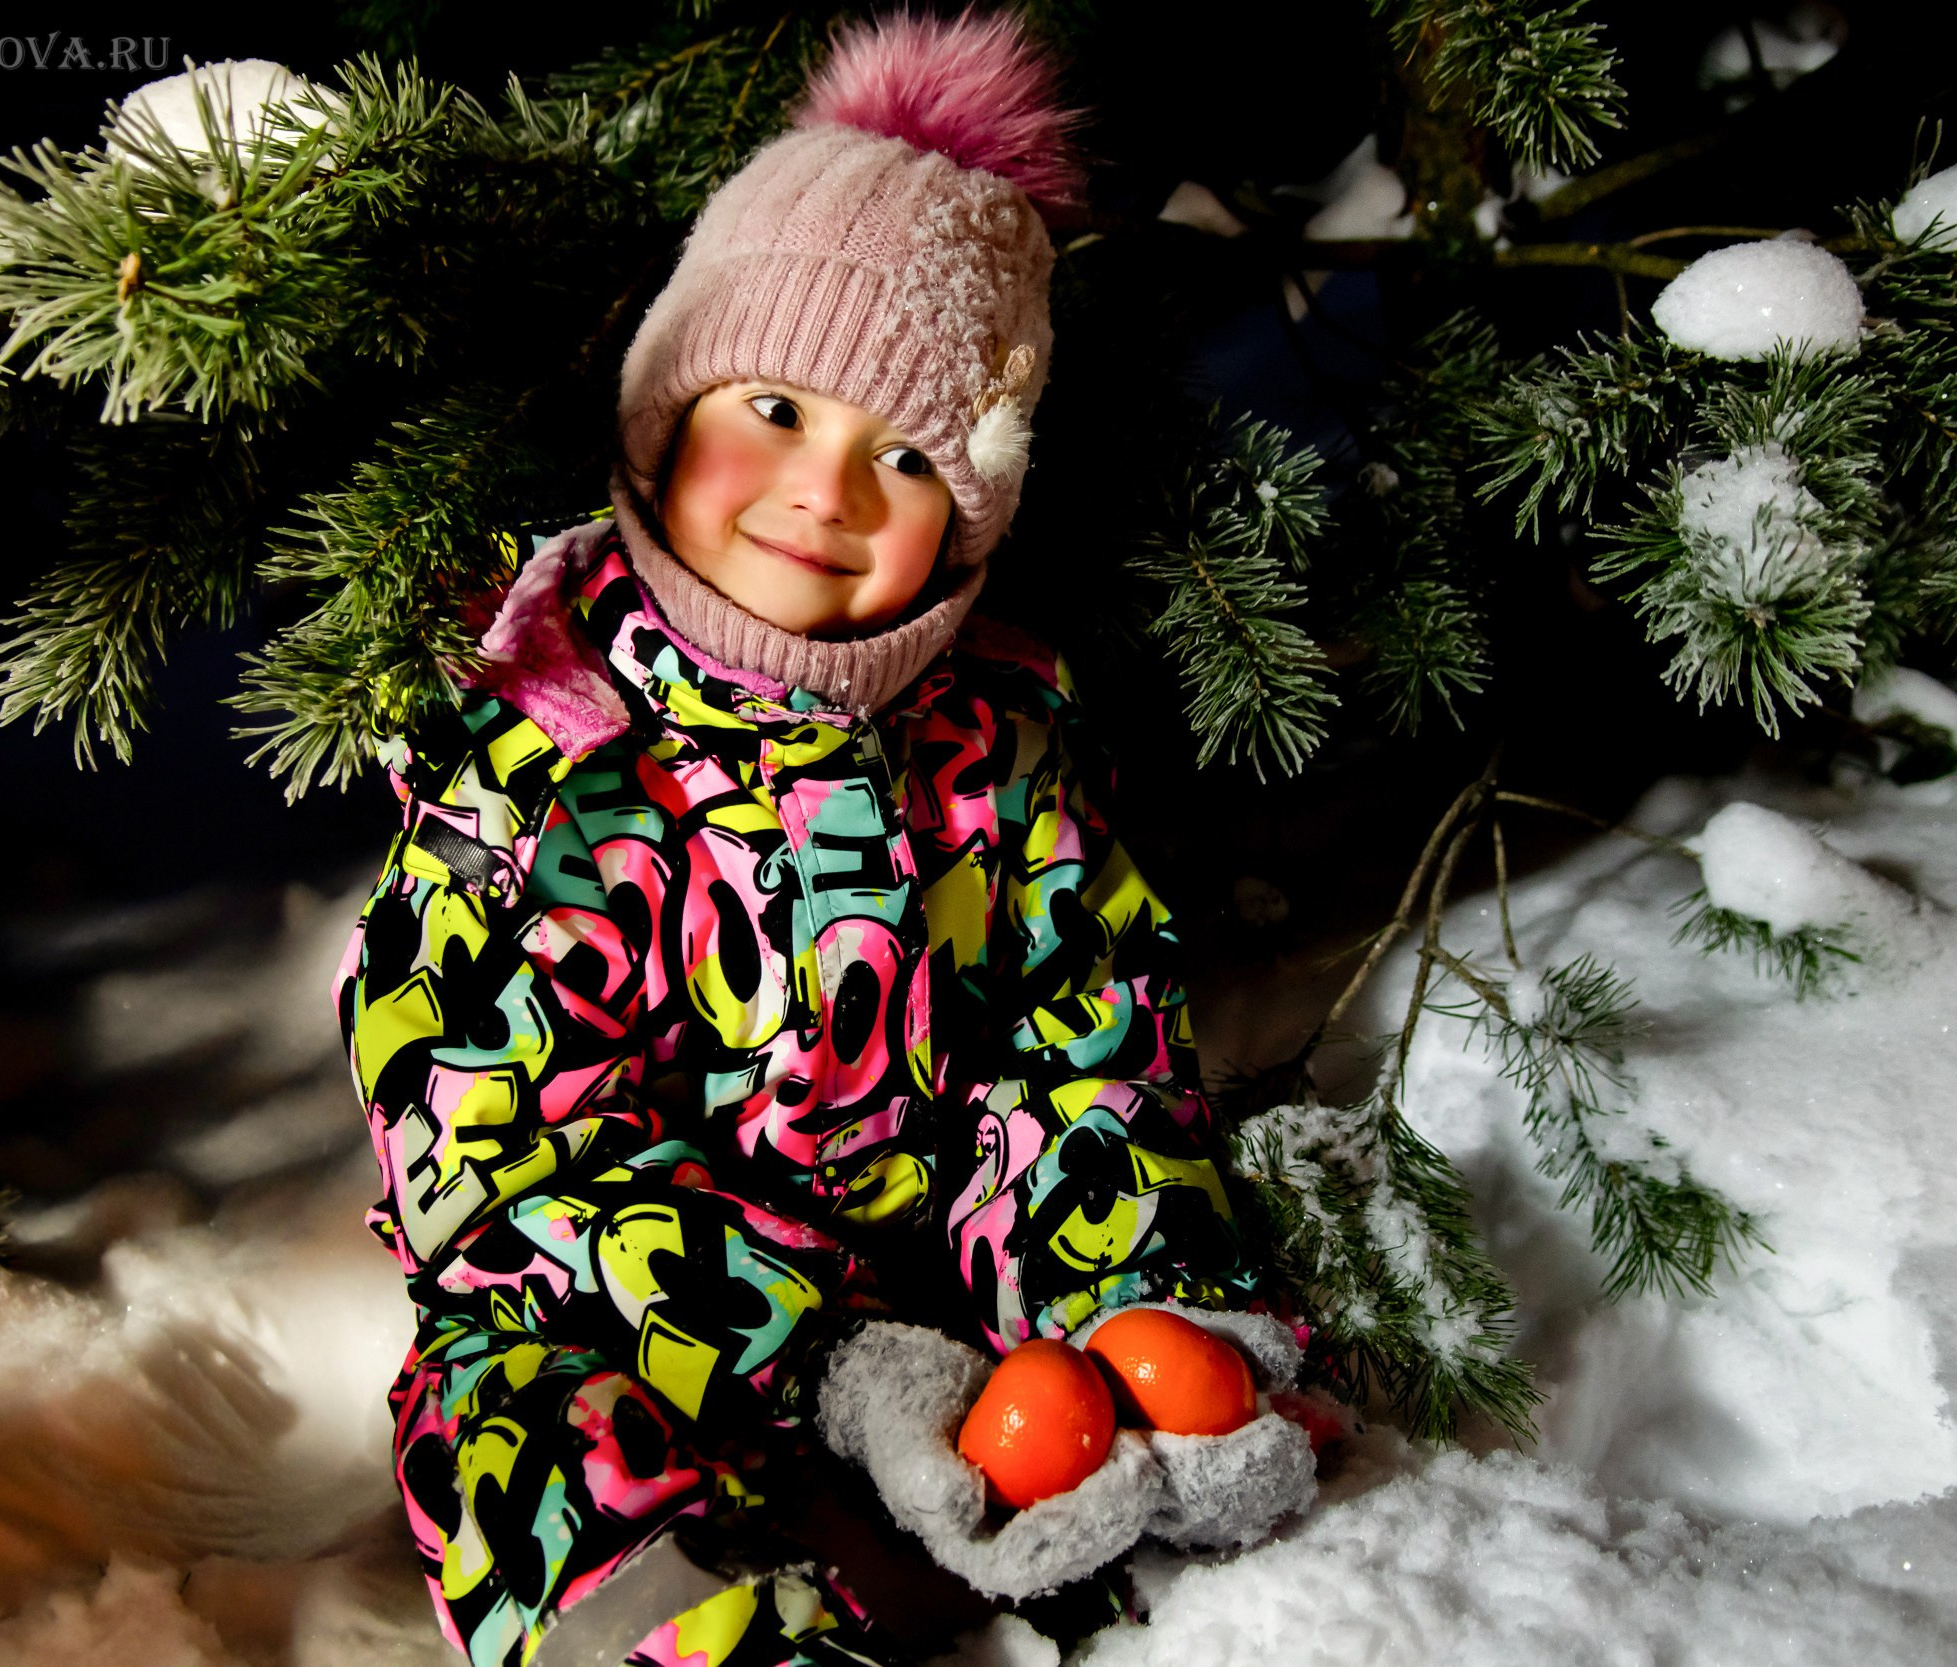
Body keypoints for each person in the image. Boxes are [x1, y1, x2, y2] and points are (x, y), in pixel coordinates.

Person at [333, 15, 1306, 1667]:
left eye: (909, 452)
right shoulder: (551, 759)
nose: (828, 490)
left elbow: (1084, 1044)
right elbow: (499, 1153)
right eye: (772, 404)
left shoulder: (997, 745)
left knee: (1158, 1340)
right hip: (638, 1303)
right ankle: (715, 1636)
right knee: (511, 1431)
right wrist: (829, 1364)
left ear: (974, 510)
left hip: (947, 1274)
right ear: (660, 408)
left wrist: (1121, 1294)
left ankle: (1193, 1568)